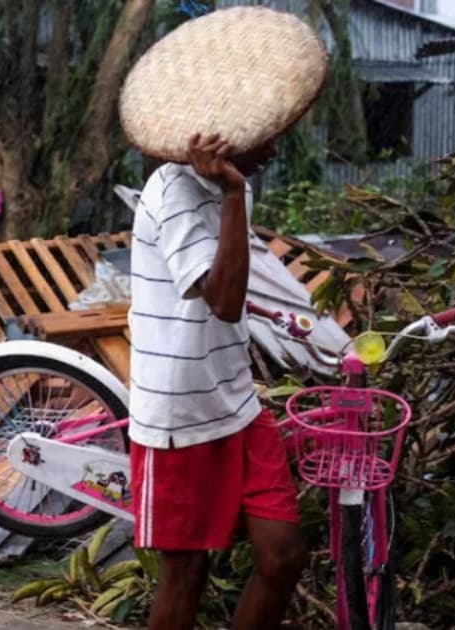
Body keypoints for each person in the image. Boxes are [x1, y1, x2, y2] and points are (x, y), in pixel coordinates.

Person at [127, 132, 307, 630]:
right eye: (261, 138)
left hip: (236, 403)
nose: (272, 150)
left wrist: (232, 192)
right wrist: (231, 194)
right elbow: (224, 300)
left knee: (283, 555)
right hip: (178, 418)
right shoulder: (174, 191)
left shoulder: (235, 187)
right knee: (185, 573)